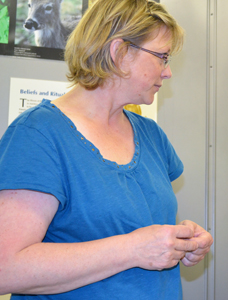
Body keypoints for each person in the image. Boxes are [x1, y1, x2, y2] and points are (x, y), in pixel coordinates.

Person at [0, 0, 213, 299]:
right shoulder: (38, 134)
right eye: (162, 58)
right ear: (119, 52)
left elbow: (134, 224)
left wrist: (180, 241)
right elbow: (7, 269)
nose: (167, 73)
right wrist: (133, 249)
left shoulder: (151, 135)